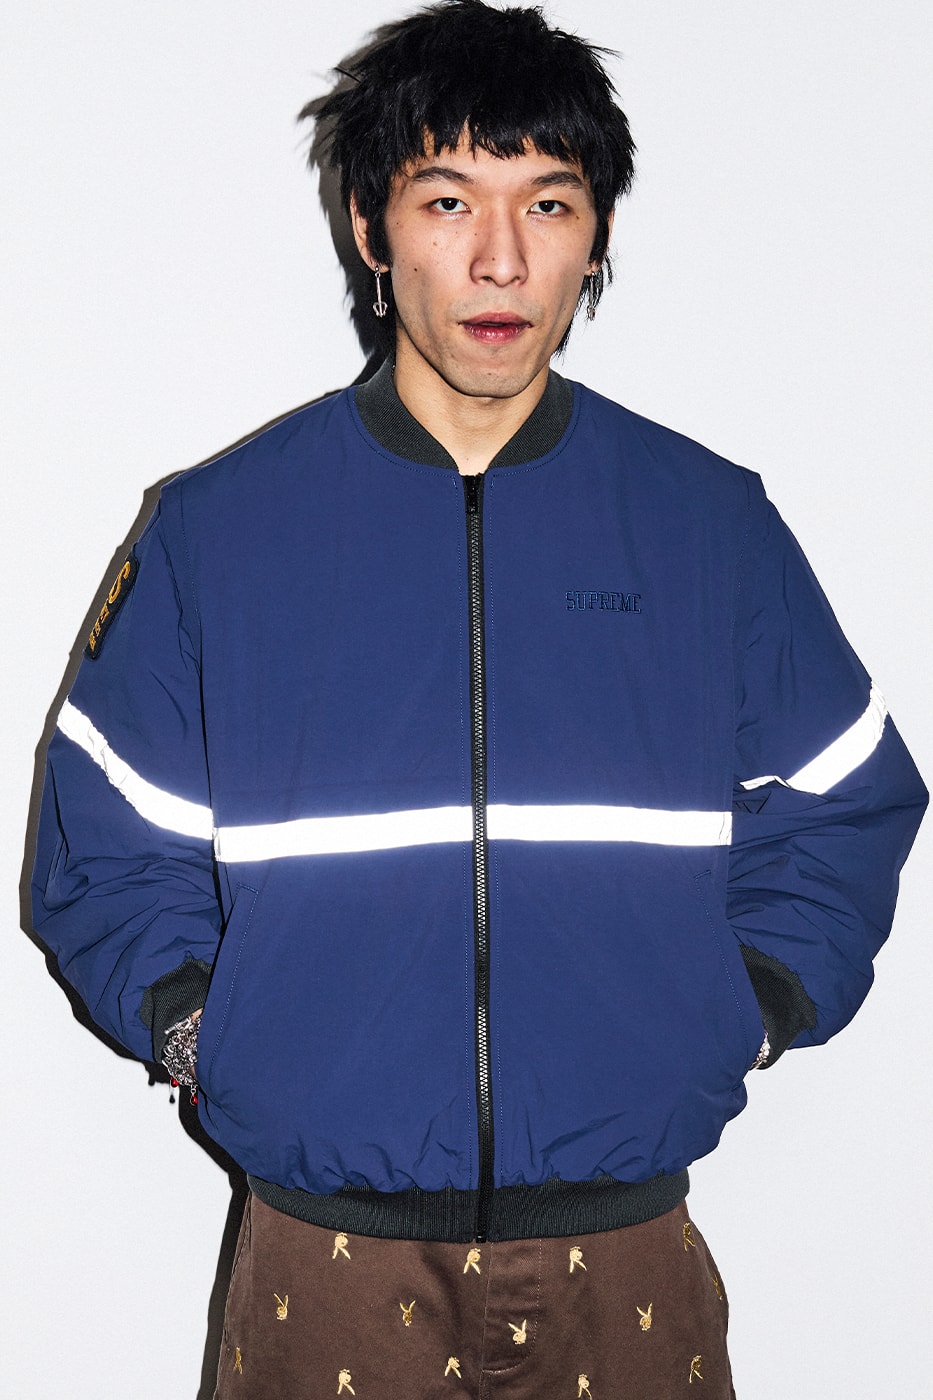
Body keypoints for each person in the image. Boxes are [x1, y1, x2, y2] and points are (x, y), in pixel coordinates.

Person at [30, 3, 926, 1397]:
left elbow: (845, 805)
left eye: (547, 203)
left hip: (627, 1260)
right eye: (447, 200)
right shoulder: (220, 530)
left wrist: (734, 1010)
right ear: (369, 229)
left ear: (596, 234)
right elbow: (100, 846)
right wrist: (215, 1039)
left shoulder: (707, 525)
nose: (500, 259)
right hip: (323, 1265)